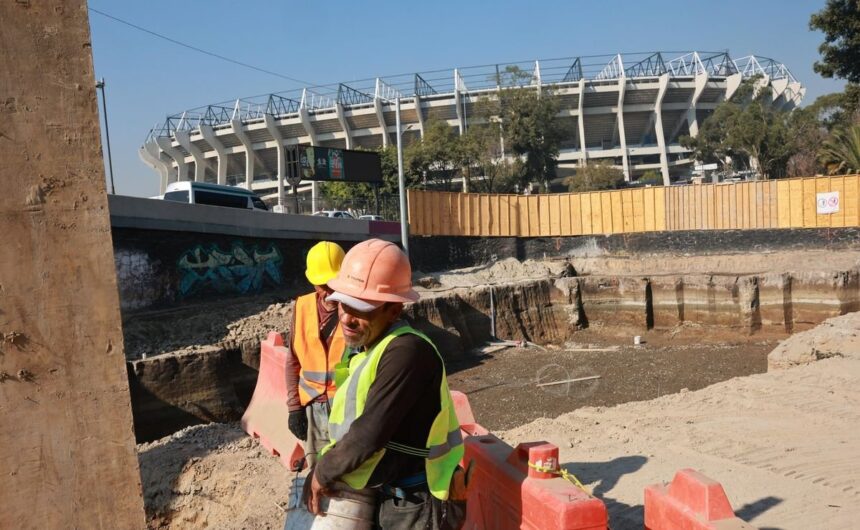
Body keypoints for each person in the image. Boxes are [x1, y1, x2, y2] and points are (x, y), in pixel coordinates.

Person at [307, 238, 465, 529]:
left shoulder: (407, 352)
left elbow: (368, 434)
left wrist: (322, 473)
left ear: (393, 309)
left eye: (361, 309)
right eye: (343, 304)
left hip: (419, 502)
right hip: (393, 495)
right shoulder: (371, 349)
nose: (346, 318)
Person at [286, 241, 346, 466]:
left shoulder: (356, 310)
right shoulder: (302, 307)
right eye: (323, 284)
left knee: (349, 471)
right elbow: (292, 360)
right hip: (313, 406)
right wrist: (294, 408)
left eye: (333, 283)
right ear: (313, 282)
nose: (328, 290)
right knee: (319, 471)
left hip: (346, 406)